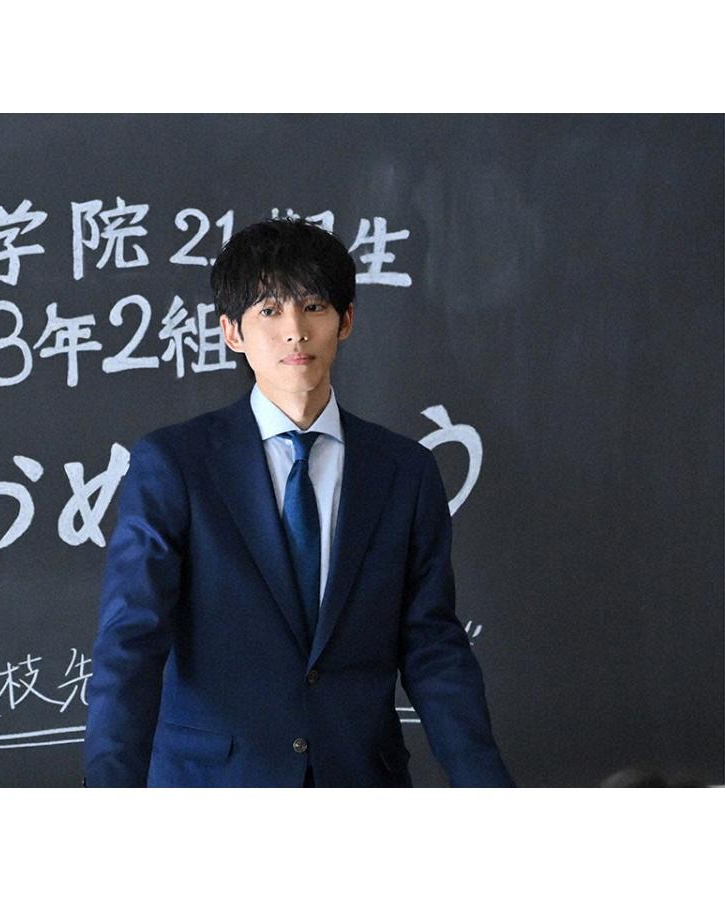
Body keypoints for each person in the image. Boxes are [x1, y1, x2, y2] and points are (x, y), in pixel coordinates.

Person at [83, 218, 513, 787]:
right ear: (232, 332)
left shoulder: (404, 471)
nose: (294, 331)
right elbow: (131, 641)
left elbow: (432, 644)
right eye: (269, 311)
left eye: (313, 307)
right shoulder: (176, 464)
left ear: (346, 320)